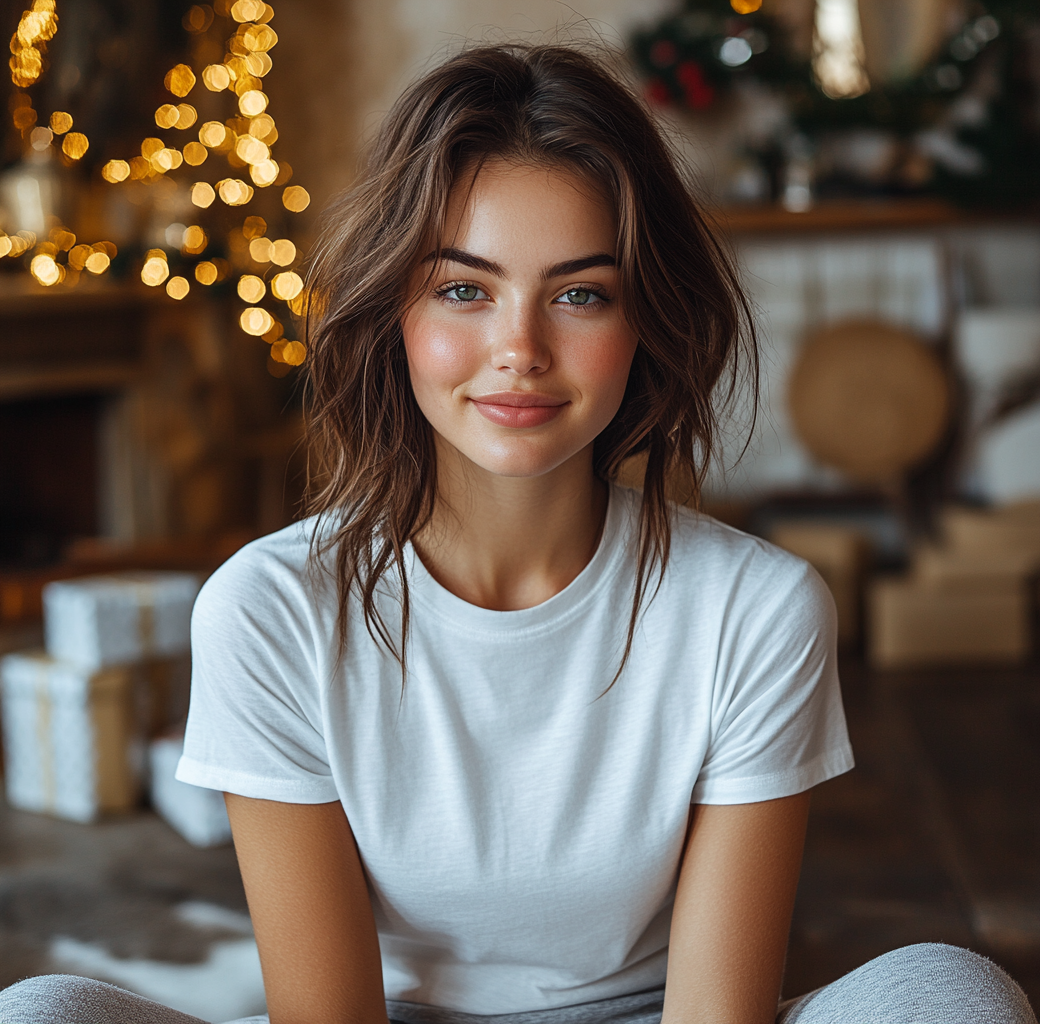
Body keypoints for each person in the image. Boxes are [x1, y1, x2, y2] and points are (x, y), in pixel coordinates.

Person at [1, 42, 1035, 1024]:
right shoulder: (269, 610)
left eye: (579, 294)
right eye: (463, 288)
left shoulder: (754, 610)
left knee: (948, 990)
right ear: (394, 313)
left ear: (643, 324)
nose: (519, 349)